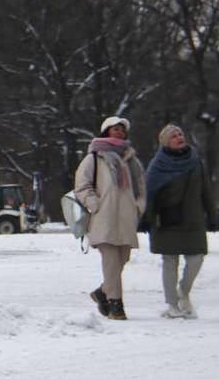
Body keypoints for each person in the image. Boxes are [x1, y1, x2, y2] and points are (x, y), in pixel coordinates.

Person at [139, 124, 217, 319]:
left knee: (197, 258)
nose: (179, 137)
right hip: (166, 221)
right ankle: (172, 304)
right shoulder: (157, 165)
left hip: (193, 219)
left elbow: (206, 190)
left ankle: (184, 290)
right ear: (165, 142)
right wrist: (146, 219)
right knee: (169, 261)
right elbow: (149, 194)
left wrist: (212, 214)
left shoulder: (195, 161)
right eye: (173, 136)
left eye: (180, 133)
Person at [74, 116, 145, 320]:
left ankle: (102, 292)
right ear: (106, 131)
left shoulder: (131, 160)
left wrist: (138, 207)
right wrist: (93, 203)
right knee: (111, 262)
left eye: (122, 129)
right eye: (115, 129)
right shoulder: (94, 158)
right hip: (103, 218)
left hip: (126, 219)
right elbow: (82, 185)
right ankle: (116, 305)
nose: (120, 132)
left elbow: (141, 187)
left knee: (122, 259)